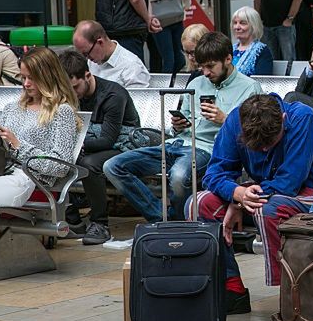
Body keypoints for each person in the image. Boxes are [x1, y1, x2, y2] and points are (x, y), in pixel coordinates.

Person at [196, 93, 313, 301]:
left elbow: (289, 182)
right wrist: (236, 193)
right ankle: (231, 288)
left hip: (311, 194)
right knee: (200, 203)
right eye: (257, 146)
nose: (264, 149)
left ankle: (293, 293)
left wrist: (238, 201)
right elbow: (214, 174)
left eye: (270, 143)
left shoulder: (303, 117)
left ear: (283, 119)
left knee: (268, 208)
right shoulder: (235, 120)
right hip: (257, 195)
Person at [103, 32, 263, 223]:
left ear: (228, 59)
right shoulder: (196, 83)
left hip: (207, 149)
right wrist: (179, 125)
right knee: (112, 166)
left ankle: (177, 222)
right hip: (176, 143)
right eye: (202, 66)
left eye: (210, 66)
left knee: (178, 176)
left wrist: (226, 119)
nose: (205, 72)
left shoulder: (250, 88)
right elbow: (184, 120)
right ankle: (165, 220)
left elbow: (254, 133)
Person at [58, 50, 140, 244]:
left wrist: (75, 145)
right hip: (88, 144)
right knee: (57, 156)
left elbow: (107, 140)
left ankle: (100, 223)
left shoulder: (113, 95)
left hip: (124, 145)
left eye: (75, 87)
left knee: (89, 164)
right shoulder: (69, 94)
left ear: (88, 75)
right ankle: (71, 218)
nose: (71, 94)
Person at [0, 48, 80, 209]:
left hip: (29, 181)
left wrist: (18, 145)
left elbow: (60, 166)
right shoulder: (12, 108)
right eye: (23, 77)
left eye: (32, 78)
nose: (26, 84)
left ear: (48, 77)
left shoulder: (61, 111)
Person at [72, 20, 150, 89]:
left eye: (87, 53)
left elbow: (138, 102)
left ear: (100, 42)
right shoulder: (92, 61)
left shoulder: (132, 66)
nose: (87, 58)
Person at [230, 6, 273, 76]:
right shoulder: (229, 49)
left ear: (254, 26)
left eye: (242, 23)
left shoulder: (261, 51)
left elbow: (262, 81)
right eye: (235, 23)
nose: (237, 27)